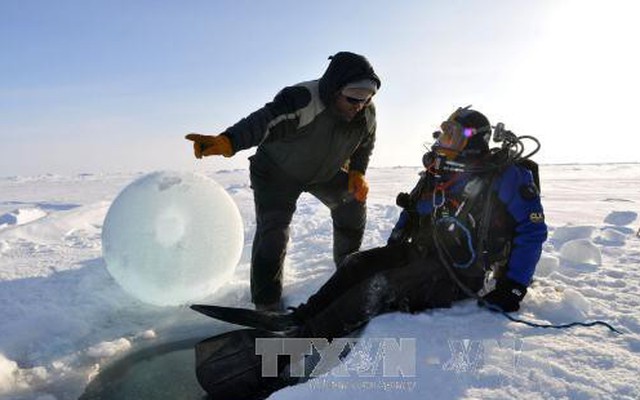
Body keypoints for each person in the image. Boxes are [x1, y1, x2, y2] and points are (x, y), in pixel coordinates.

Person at [242, 106, 549, 339]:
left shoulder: (506, 176)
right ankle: (301, 317)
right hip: (425, 254)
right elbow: (412, 212)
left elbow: (532, 231)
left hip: (463, 275)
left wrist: (513, 288)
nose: (441, 138)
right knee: (358, 264)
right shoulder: (438, 172)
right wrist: (389, 254)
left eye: (451, 133)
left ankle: (304, 337)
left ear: (473, 141)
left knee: (380, 287)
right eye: (443, 131)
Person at [186, 52, 381, 311]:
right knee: (274, 233)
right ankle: (267, 303)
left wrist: (357, 171)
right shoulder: (302, 99)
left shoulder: (365, 113)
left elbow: (365, 143)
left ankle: (346, 267)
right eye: (353, 96)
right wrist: (230, 140)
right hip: (277, 173)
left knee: (352, 204)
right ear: (335, 89)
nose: (359, 103)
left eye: (366, 97)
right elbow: (265, 120)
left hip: (323, 171)